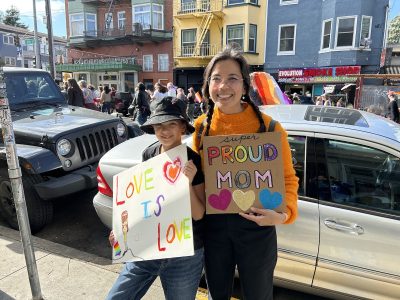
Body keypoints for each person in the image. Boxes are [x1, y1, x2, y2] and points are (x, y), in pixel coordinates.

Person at [192, 47, 299, 300]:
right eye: (216, 78)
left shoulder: (271, 128)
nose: (223, 86)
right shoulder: (200, 129)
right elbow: (198, 181)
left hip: (257, 225)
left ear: (244, 85)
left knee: (258, 295)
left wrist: (283, 216)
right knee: (216, 294)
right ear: (208, 85)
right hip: (214, 227)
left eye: (232, 78)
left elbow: (287, 178)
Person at [106, 96, 206, 300]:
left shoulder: (193, 160)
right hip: (149, 245)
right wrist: (119, 230)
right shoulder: (149, 154)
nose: (165, 131)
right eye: (159, 125)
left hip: (185, 253)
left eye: (171, 124)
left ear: (182, 127)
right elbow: (138, 201)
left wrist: (186, 183)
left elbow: (199, 214)